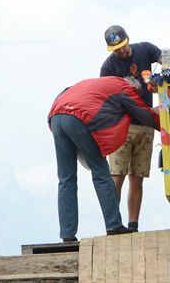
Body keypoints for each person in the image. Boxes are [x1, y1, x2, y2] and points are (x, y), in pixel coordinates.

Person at [48, 76, 159, 242]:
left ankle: (67, 234)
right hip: (79, 117)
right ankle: (114, 225)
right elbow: (144, 115)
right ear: (133, 88)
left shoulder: (97, 83)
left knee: (66, 179)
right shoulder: (126, 88)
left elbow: (64, 93)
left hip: (56, 116)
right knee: (100, 172)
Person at [100, 25, 162, 232]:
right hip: (122, 127)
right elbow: (107, 100)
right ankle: (113, 224)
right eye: (116, 49)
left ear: (128, 40)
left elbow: (168, 62)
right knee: (117, 176)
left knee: (138, 177)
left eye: (123, 46)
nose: (121, 51)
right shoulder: (108, 68)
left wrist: (162, 84)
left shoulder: (145, 49)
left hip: (146, 125)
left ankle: (133, 225)